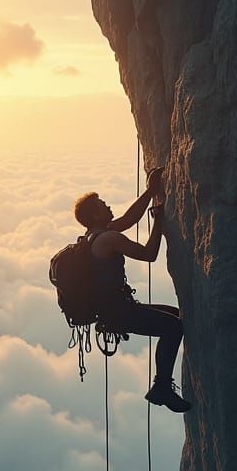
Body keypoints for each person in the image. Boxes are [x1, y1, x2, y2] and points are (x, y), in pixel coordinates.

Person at [73, 169, 191, 413]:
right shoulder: (108, 239)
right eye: (103, 205)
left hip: (115, 310)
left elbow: (129, 219)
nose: (108, 206)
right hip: (120, 311)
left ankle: (162, 386)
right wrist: (158, 221)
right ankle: (162, 387)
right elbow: (149, 254)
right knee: (173, 326)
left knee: (175, 315)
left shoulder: (94, 236)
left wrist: (150, 191)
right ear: (95, 215)